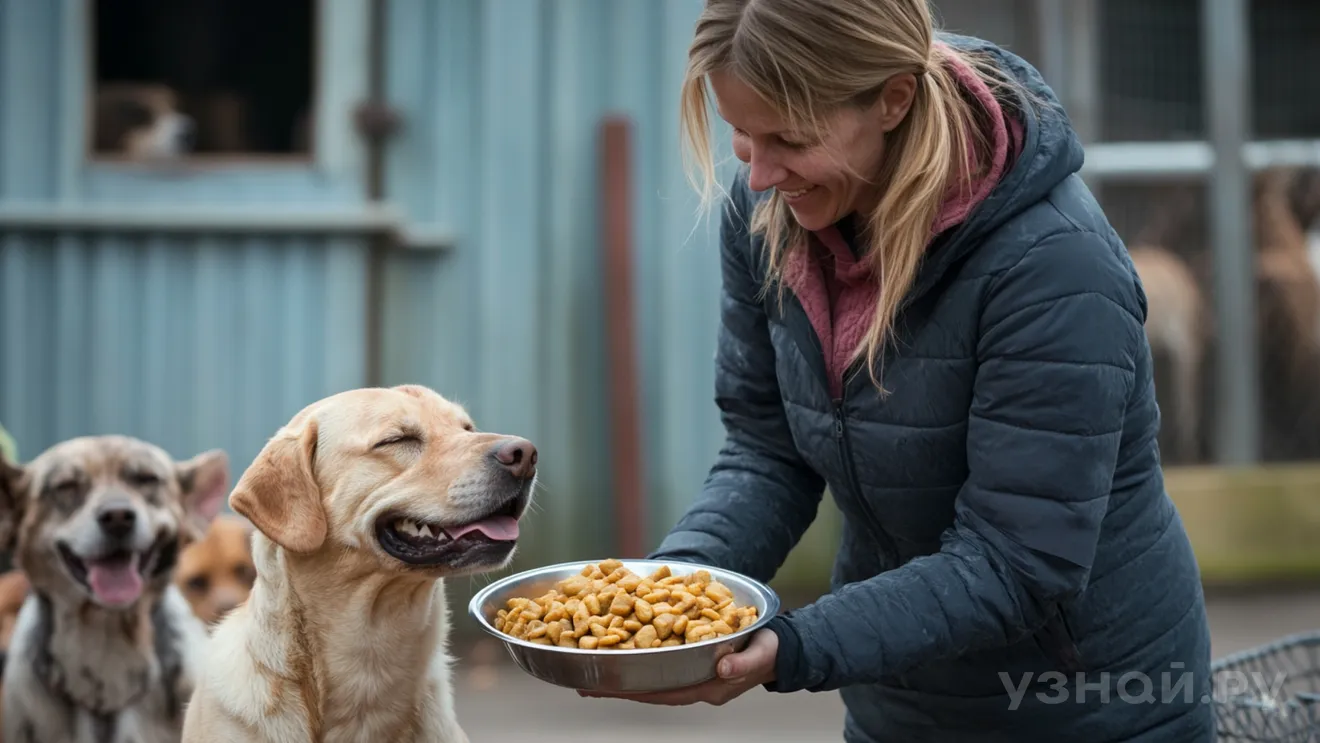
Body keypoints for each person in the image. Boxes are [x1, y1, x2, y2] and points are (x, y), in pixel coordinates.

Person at [578, 1, 1216, 741]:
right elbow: (769, 452)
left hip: (1094, 709)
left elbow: (1016, 560)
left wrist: (796, 646)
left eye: (788, 137)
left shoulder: (1054, 265)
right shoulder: (772, 216)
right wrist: (676, 594)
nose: (758, 174)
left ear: (892, 99)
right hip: (898, 705)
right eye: (741, 136)